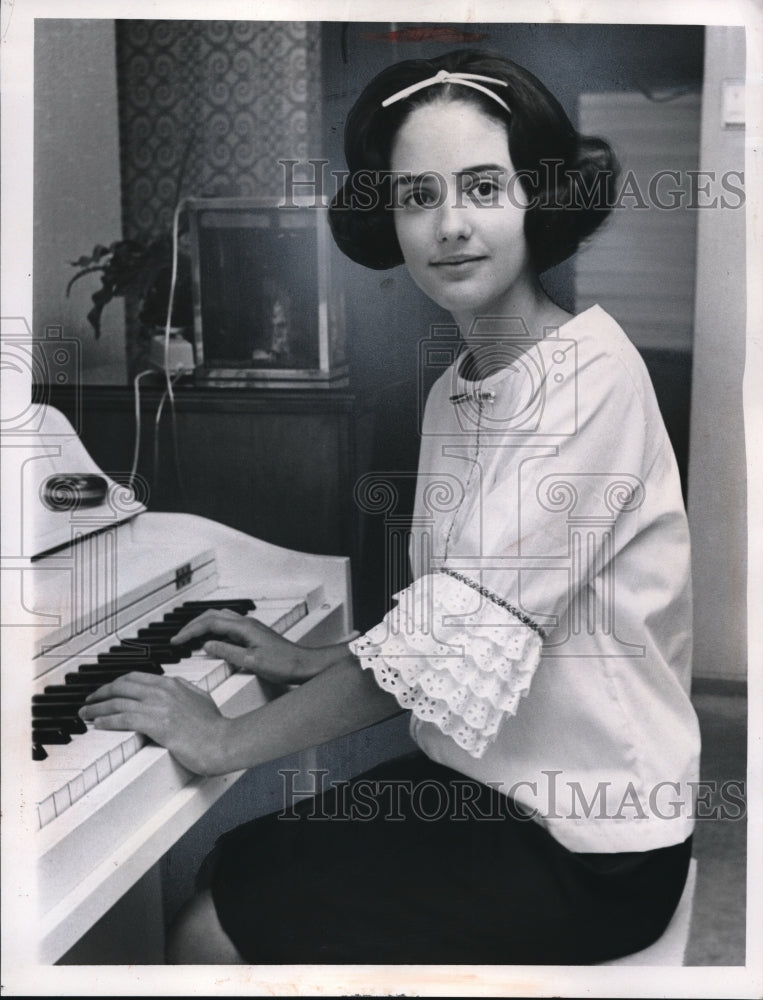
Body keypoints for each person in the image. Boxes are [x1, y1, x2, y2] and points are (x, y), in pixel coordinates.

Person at [80, 49, 701, 965]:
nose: (449, 225)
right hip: (490, 783)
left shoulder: (590, 380)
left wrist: (222, 738)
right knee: (230, 862)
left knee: (210, 928)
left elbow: (452, 638)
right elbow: (462, 609)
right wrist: (314, 657)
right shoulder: (457, 386)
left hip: (589, 840)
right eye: (417, 196)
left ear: (539, 197)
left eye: (482, 187)